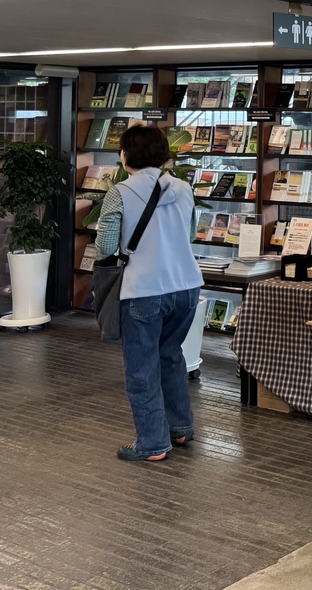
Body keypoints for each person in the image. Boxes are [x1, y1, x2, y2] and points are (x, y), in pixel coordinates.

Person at [95, 125, 203, 462]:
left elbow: (106, 246)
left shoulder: (120, 192)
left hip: (144, 289)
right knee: (170, 356)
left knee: (141, 368)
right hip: (186, 287)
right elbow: (190, 234)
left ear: (126, 156)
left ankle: (153, 443)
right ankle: (179, 427)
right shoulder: (183, 188)